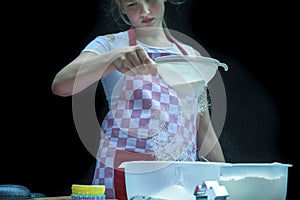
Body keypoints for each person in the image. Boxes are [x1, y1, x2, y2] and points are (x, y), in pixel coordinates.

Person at [51, 0, 225, 198]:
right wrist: (112, 58)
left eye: (151, 0)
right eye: (133, 4)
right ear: (121, 6)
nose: (145, 11)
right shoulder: (110, 44)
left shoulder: (191, 56)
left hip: (178, 180)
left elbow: (204, 131)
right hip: (123, 176)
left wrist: (227, 182)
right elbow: (61, 85)